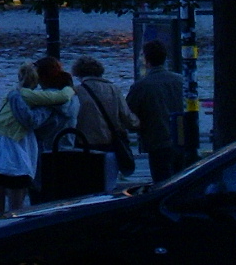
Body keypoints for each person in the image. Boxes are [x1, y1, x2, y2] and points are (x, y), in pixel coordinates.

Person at [0, 63, 74, 213]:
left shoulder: (11, 94)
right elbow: (62, 97)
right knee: (16, 209)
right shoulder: (27, 95)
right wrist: (71, 88)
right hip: (15, 150)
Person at [72, 55, 137, 191]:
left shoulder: (76, 91)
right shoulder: (114, 89)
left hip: (84, 146)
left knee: (86, 186)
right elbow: (127, 117)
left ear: (78, 73)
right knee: (108, 186)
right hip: (110, 144)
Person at [127, 39, 187, 182]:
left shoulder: (141, 86)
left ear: (146, 60)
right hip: (182, 139)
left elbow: (128, 113)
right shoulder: (181, 80)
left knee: (162, 181)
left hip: (157, 141)